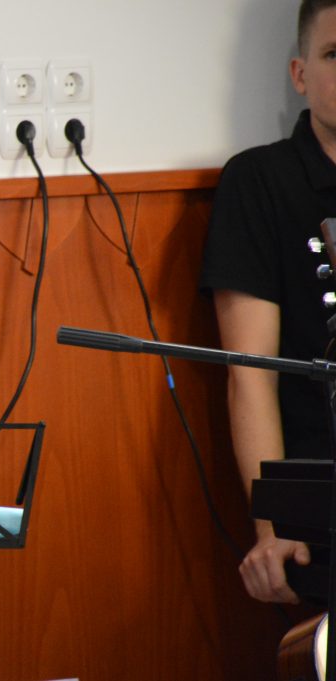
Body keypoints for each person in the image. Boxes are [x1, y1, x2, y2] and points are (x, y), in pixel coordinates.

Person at [199, 0, 336, 604]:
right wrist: (272, 527)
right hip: (318, 500)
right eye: (334, 54)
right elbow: (250, 374)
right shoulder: (259, 182)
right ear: (300, 74)